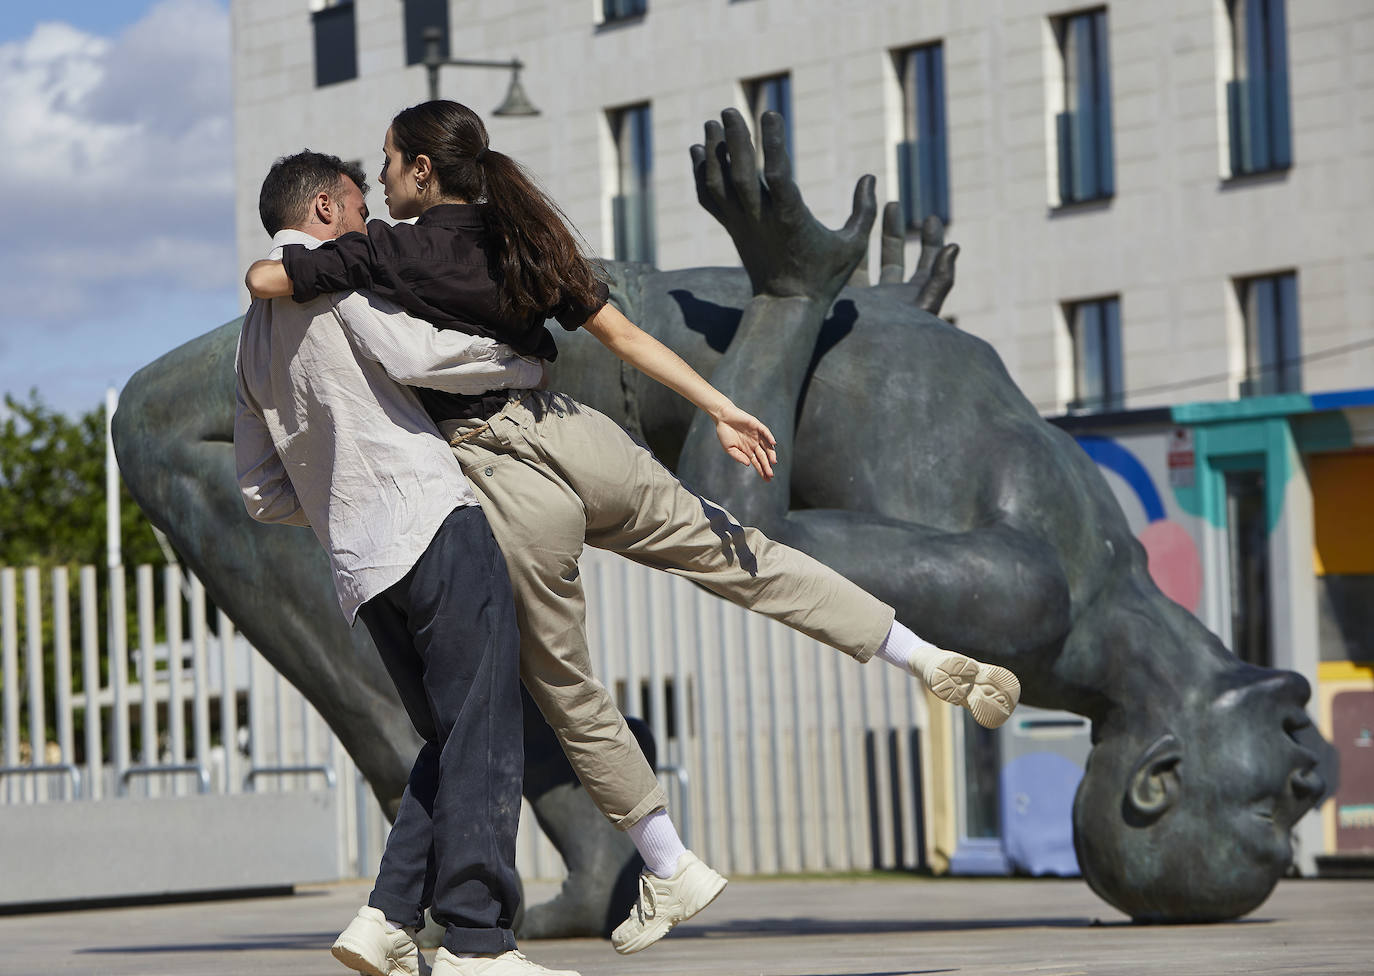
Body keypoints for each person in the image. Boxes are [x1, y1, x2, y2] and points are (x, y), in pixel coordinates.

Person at [246, 100, 1021, 954]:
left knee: (565, 686)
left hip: (499, 470)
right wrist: (720, 407)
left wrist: (325, 269)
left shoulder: (386, 250)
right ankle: (921, 653)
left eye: (389, 162)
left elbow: (270, 281)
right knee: (743, 555)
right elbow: (621, 334)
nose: (380, 178)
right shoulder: (523, 236)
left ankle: (669, 859)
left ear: (423, 170)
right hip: (572, 429)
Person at [234, 150, 575, 976]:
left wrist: (335, 495)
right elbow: (425, 359)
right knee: (486, 735)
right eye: (356, 207)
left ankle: (387, 918)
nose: (371, 228)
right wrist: (526, 364)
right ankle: (477, 944)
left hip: (358, 565)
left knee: (455, 734)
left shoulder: (247, 345)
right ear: (323, 208)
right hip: (431, 523)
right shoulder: (337, 281)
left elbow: (259, 492)